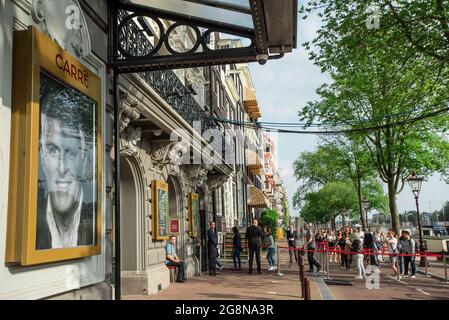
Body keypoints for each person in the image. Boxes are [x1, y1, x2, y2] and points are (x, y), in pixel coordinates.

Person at [37, 78, 95, 250]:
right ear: (42, 155)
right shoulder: (29, 223)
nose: (62, 168)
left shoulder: (95, 222)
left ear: (84, 157)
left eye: (70, 151)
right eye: (53, 149)